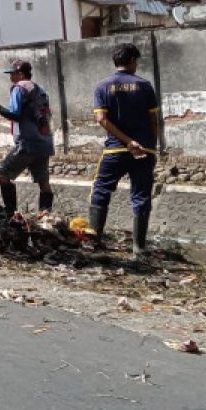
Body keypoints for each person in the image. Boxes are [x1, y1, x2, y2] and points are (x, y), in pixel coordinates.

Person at [88, 42, 161, 258]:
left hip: (114, 151)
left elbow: (101, 119)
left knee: (100, 191)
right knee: (141, 196)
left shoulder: (102, 86)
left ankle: (94, 241)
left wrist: (126, 142)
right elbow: (153, 120)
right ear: (131, 61)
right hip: (143, 152)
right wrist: (151, 148)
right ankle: (139, 248)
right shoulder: (145, 86)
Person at [0, 59, 55, 216]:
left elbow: (14, 115)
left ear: (20, 74)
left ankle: (11, 215)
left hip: (27, 144)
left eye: (13, 74)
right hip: (44, 144)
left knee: (3, 175)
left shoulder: (19, 89)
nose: (11, 77)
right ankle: (45, 218)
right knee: (44, 183)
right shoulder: (40, 90)